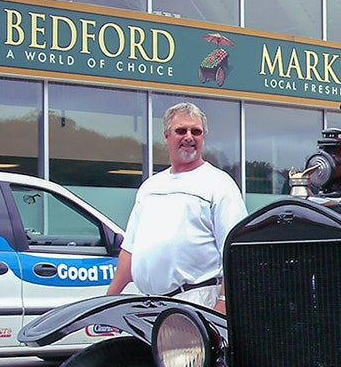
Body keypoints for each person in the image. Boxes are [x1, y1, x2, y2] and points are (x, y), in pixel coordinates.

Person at [106, 102, 247, 312]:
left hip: (196, 303)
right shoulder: (150, 187)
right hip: (149, 305)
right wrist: (109, 300)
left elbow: (235, 251)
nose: (189, 137)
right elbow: (130, 250)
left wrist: (224, 303)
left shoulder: (219, 184)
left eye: (196, 131)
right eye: (181, 130)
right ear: (166, 136)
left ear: (203, 138)